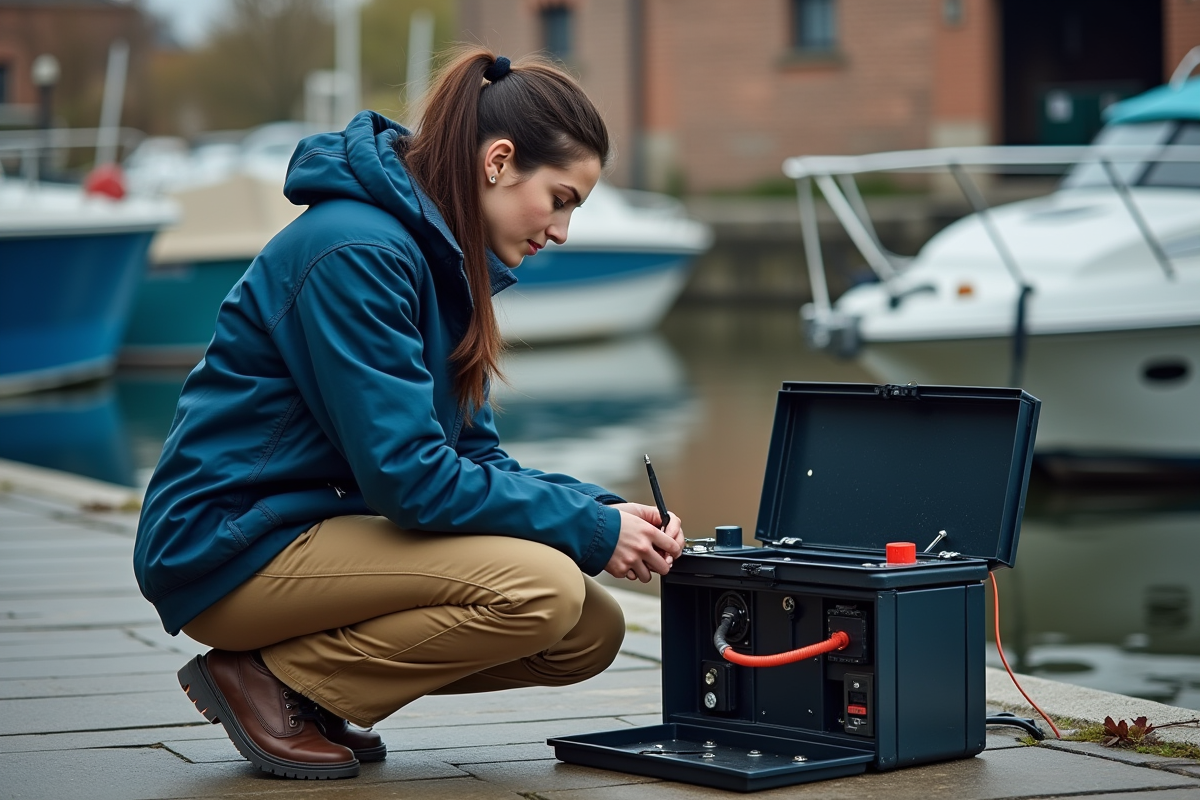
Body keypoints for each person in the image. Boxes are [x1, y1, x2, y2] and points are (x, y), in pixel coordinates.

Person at [132, 49, 684, 781]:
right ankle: (268, 683)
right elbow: (410, 479)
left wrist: (605, 510)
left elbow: (474, 458)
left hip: (316, 527)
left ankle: (303, 686)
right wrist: (588, 530)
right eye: (561, 198)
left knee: (588, 629)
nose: (562, 230)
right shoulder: (356, 250)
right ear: (498, 161)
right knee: (540, 592)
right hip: (227, 544)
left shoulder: (441, 261)